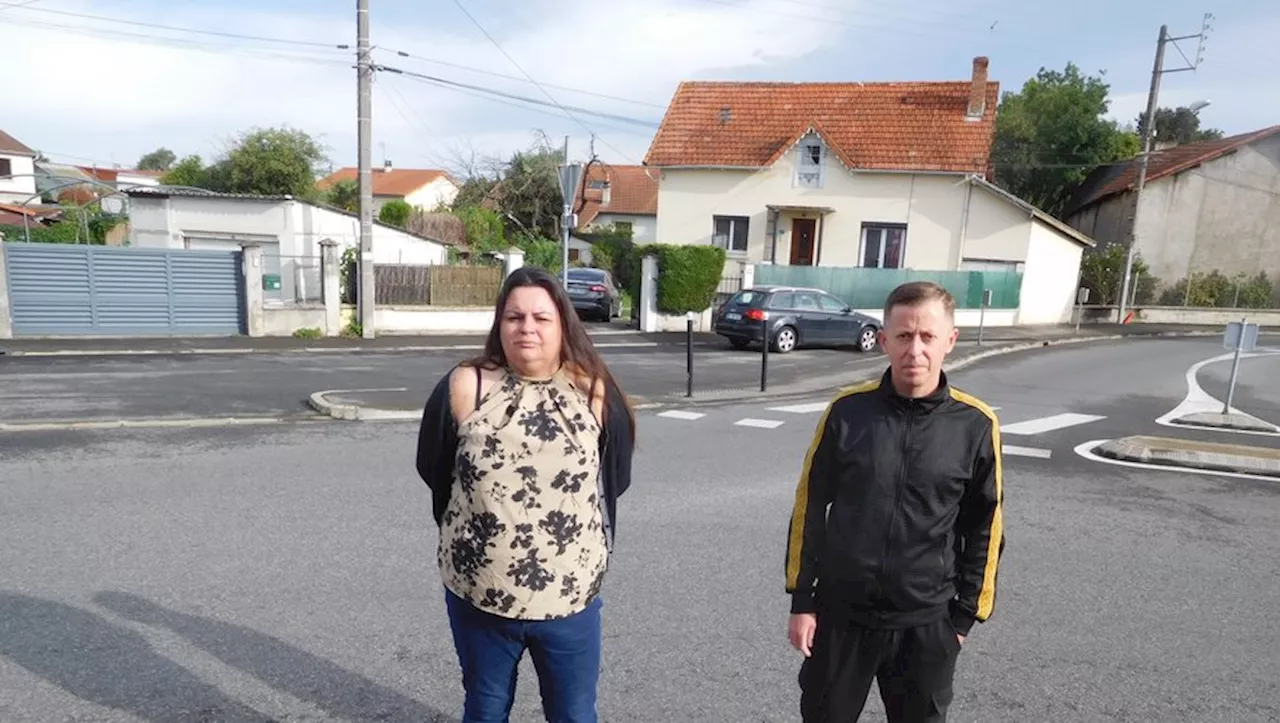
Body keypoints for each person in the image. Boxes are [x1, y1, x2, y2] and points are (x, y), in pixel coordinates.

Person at [415, 266, 636, 723]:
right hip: (480, 596)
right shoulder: (466, 385)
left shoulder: (593, 390)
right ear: (500, 324)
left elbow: (615, 478)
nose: (527, 328)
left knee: (573, 714)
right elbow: (435, 470)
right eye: (514, 317)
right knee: (486, 706)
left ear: (562, 325)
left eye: (541, 317)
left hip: (569, 601)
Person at [784, 280, 1005, 723]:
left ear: (950, 342)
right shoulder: (847, 412)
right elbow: (810, 508)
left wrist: (962, 620)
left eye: (927, 337)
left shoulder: (976, 425)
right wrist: (802, 600)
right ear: (884, 340)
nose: (915, 350)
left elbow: (986, 524)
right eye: (903, 336)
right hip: (841, 616)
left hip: (926, 623)